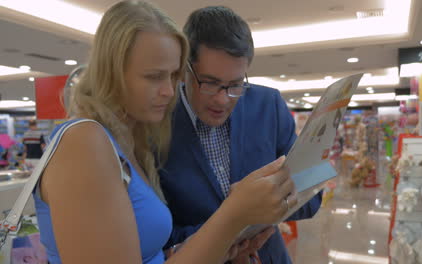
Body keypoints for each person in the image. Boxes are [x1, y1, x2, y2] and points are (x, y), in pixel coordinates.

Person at [31, 1, 297, 264]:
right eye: (154, 76)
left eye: (173, 76)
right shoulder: (84, 142)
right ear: (112, 71)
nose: (170, 91)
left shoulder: (127, 143)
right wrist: (233, 214)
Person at [159, 6, 323, 263]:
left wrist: (266, 205)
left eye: (235, 84)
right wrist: (227, 232)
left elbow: (312, 198)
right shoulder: (157, 121)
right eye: (210, 83)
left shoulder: (268, 105)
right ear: (185, 70)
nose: (223, 99)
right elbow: (158, 233)